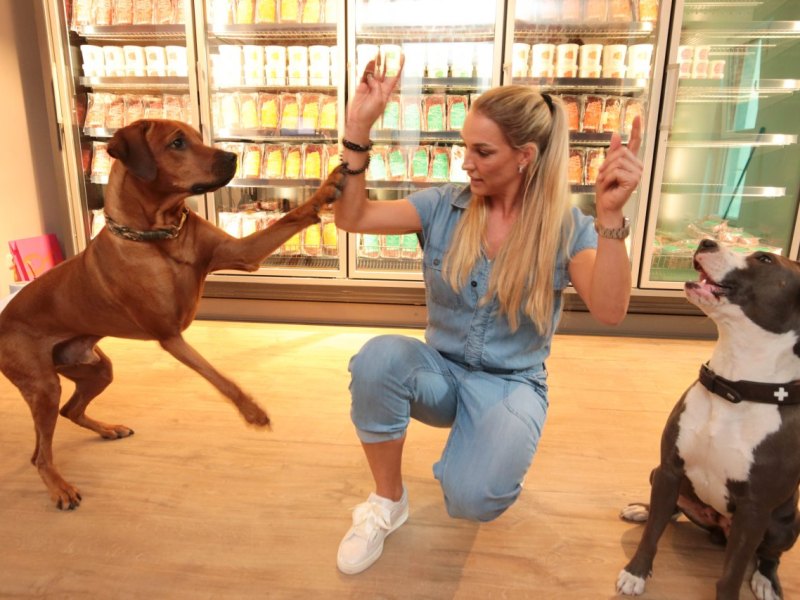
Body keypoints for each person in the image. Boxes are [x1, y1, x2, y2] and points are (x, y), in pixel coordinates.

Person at [333, 54, 643, 575]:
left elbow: (611, 310)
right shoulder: (442, 206)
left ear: (524, 156)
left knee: (473, 501)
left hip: (512, 383)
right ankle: (388, 502)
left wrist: (610, 216)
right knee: (377, 359)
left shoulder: (567, 228)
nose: (465, 163)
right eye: (464, 148)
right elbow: (352, 216)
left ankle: (480, 448)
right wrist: (358, 130)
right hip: (442, 372)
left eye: (481, 151)